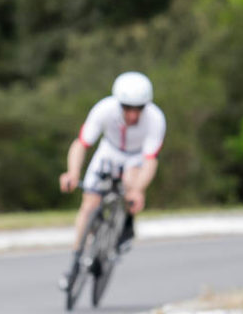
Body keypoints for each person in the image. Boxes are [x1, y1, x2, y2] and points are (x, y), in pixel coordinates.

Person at [57, 72, 166, 288]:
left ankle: (125, 225)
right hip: (109, 152)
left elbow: (150, 159)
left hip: (135, 158)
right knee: (88, 205)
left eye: (139, 109)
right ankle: (75, 261)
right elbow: (81, 144)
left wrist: (138, 190)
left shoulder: (155, 119)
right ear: (119, 103)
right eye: (127, 108)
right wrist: (72, 173)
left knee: (130, 183)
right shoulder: (104, 110)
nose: (133, 115)